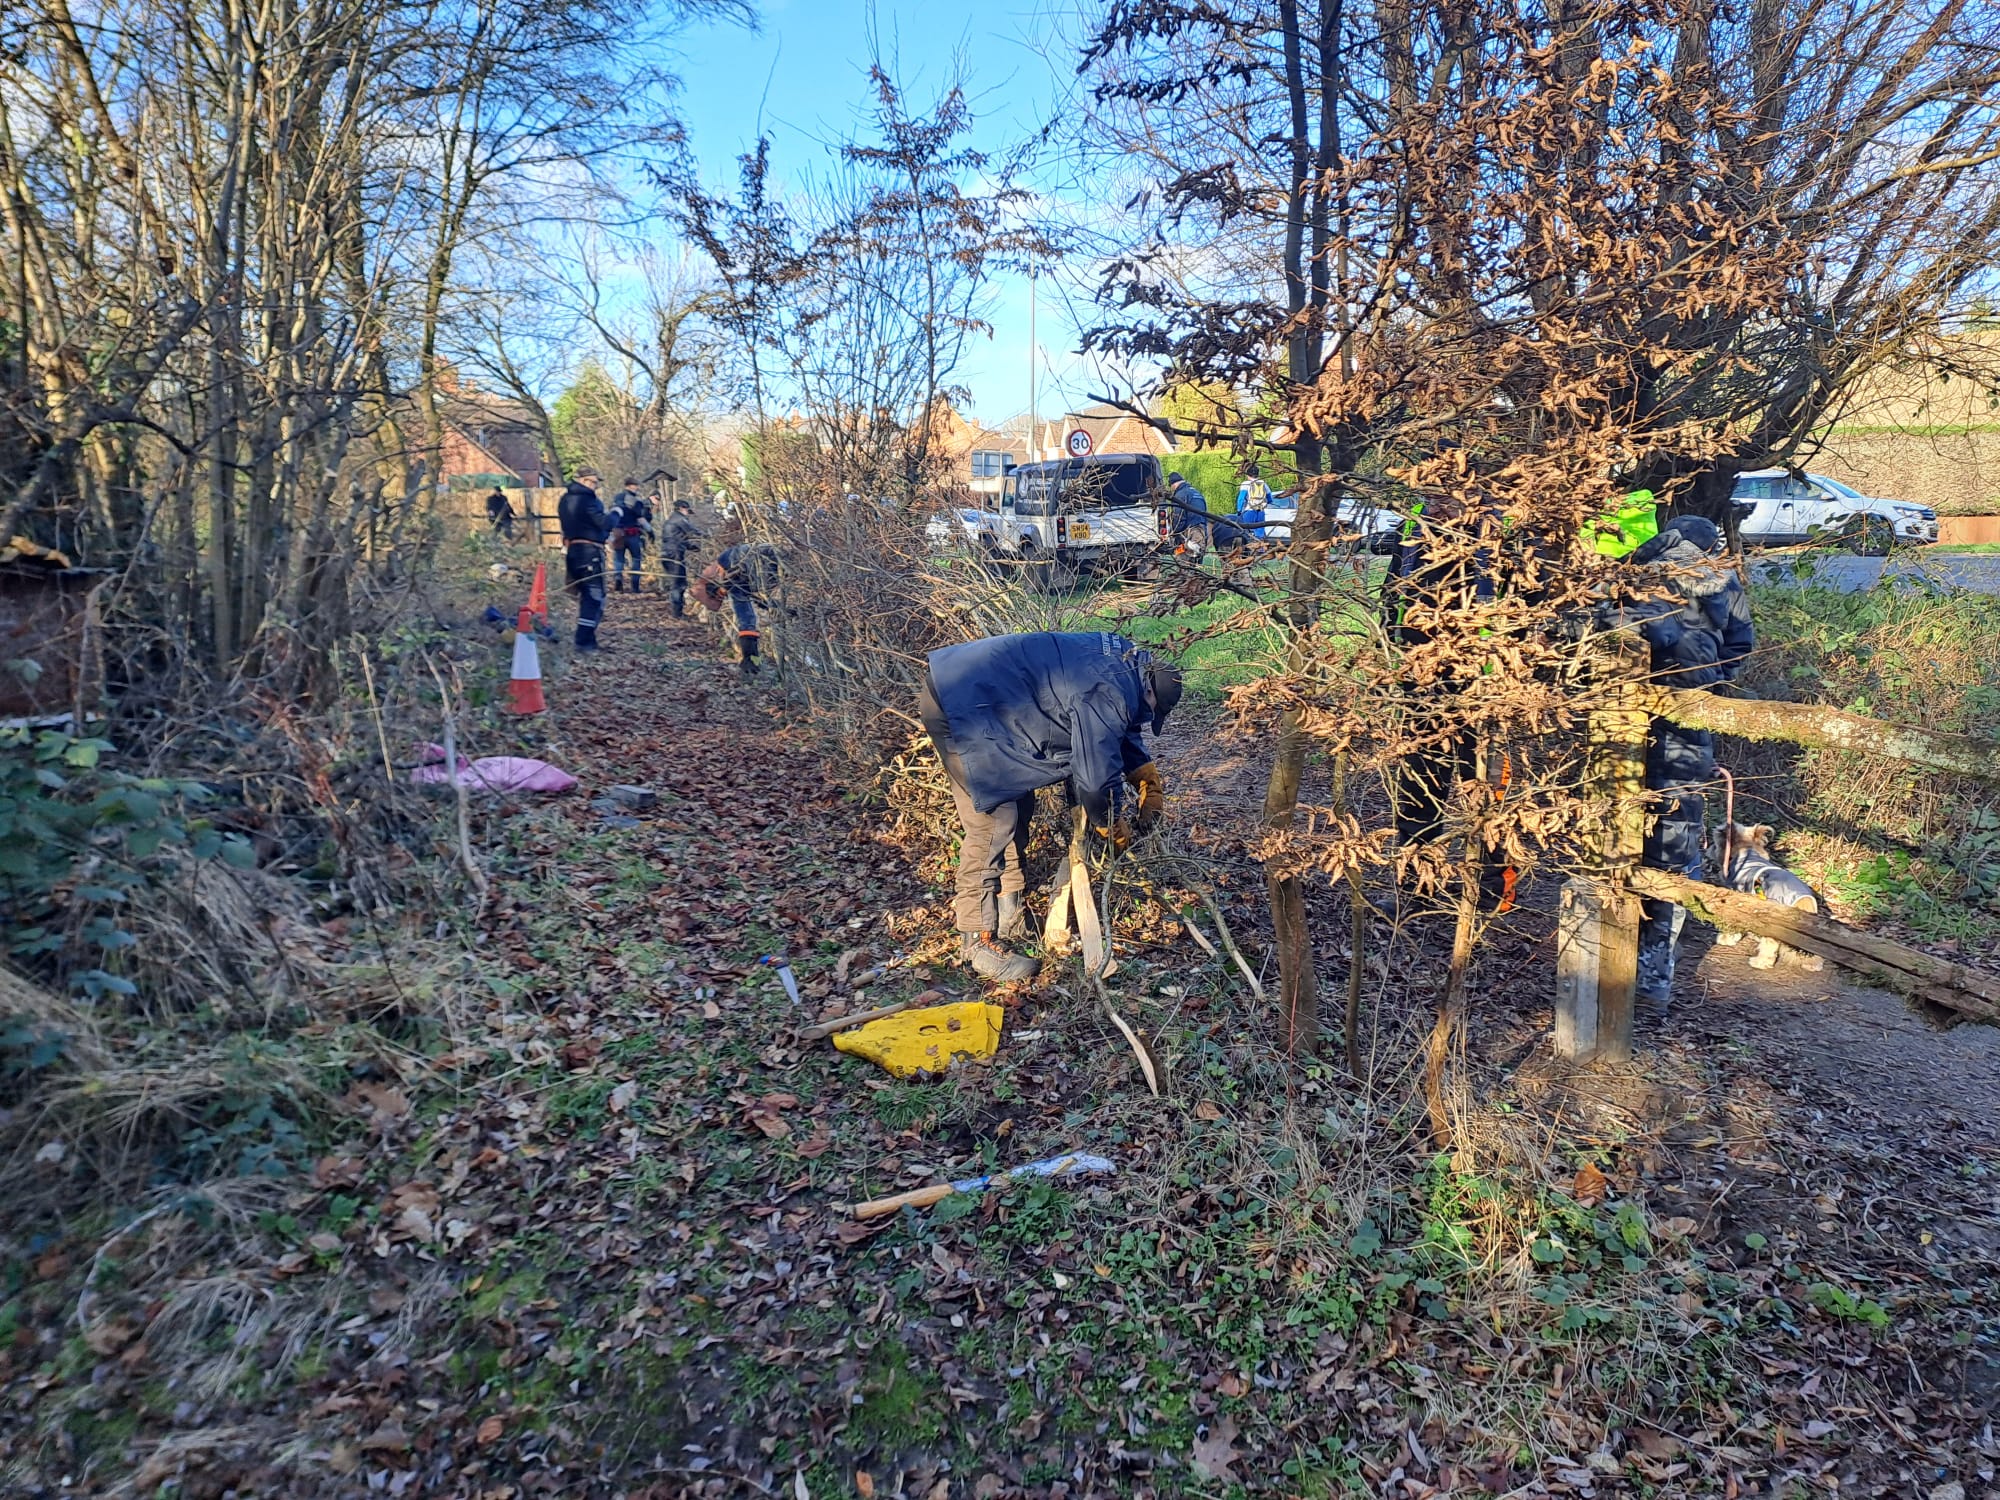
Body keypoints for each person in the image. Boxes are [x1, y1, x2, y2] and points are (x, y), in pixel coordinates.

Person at [918, 632, 1183, 984]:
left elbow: (1118, 726)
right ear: (1149, 692)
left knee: (1017, 800)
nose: (1145, 720)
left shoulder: (1124, 662)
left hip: (979, 695)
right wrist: (1109, 824)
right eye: (1151, 713)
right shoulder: (1110, 690)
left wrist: (1145, 776)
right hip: (963, 704)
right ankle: (976, 941)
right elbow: (1094, 777)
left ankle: (1009, 913)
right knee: (993, 821)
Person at [1602, 513, 1755, 1015]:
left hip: (1620, 718)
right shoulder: (1726, 580)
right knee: (1673, 838)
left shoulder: (1636, 573)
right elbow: (1739, 647)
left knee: (1614, 831)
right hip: (1690, 722)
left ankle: (1609, 962)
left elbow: (1602, 628)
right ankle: (1653, 975)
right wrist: (1705, 680)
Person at [557, 467, 611, 651]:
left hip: (573, 550)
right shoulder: (588, 500)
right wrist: (617, 514)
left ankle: (588, 639)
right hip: (589, 552)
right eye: (594, 482)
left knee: (586, 595)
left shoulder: (564, 500)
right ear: (584, 481)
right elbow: (604, 522)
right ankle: (583, 641)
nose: (595, 487)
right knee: (594, 596)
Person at [714, 540, 778, 677]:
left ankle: (750, 662)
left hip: (755, 564)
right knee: (747, 618)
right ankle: (751, 662)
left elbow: (760, 593)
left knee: (746, 618)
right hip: (754, 566)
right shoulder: (735, 581)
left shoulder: (727, 562)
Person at [660, 498, 705, 617]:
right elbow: (693, 531)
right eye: (687, 511)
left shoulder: (670, 520)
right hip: (675, 555)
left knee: (676, 582)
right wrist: (707, 536)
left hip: (666, 553)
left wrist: (692, 547)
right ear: (682, 509)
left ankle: (677, 610)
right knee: (678, 584)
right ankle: (677, 613)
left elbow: (677, 539)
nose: (688, 515)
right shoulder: (680, 519)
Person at [608, 479, 652, 592]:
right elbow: (640, 518)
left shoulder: (616, 499)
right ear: (630, 486)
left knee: (618, 559)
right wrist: (650, 530)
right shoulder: (636, 501)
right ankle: (635, 586)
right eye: (635, 486)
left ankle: (618, 579)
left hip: (618, 533)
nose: (637, 488)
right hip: (632, 534)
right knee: (636, 559)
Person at [1163, 471, 1210, 552]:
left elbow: (1178, 518)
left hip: (1189, 532)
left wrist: (1173, 533)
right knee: (1197, 559)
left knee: (1183, 560)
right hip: (1201, 531)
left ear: (1173, 484)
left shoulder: (1180, 495)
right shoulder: (1197, 493)